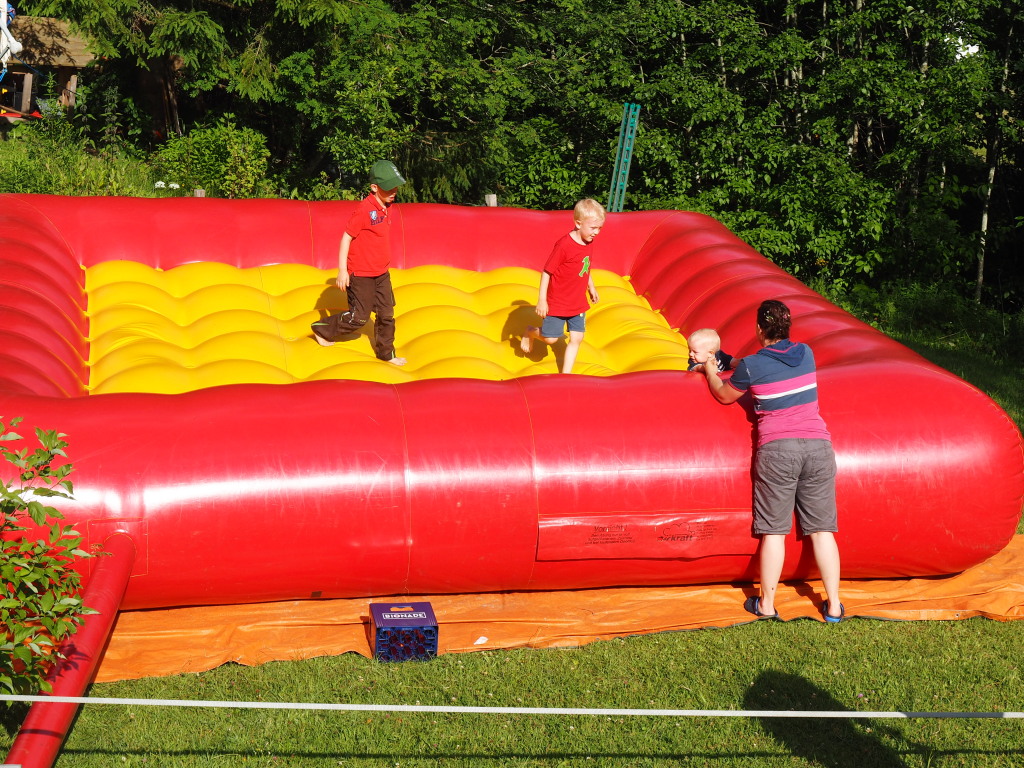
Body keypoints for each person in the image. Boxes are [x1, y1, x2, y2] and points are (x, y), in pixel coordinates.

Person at [700, 299, 843, 623]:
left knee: (774, 532)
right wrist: (732, 361)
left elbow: (724, 394)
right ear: (787, 326)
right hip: (818, 447)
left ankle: (766, 604)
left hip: (779, 450)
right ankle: (834, 606)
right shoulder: (806, 353)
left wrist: (710, 368)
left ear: (758, 328)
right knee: (822, 530)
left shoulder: (752, 366)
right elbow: (768, 363)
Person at [311, 160, 407, 365]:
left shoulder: (387, 206)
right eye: (389, 188)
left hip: (381, 273)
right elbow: (346, 238)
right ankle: (322, 329)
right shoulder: (364, 210)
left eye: (396, 187)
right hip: (361, 274)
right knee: (359, 318)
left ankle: (386, 354)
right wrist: (342, 271)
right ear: (374, 188)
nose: (394, 191)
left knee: (386, 314)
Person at [519, 198, 604, 374]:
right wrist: (542, 300)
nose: (596, 232)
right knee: (550, 339)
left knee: (577, 338)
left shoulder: (588, 242)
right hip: (558, 301)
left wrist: (591, 286)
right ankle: (531, 331)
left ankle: (566, 375)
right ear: (578, 223)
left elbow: (585, 266)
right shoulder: (564, 245)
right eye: (593, 228)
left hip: (577, 302)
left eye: (599, 228)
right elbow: (546, 272)